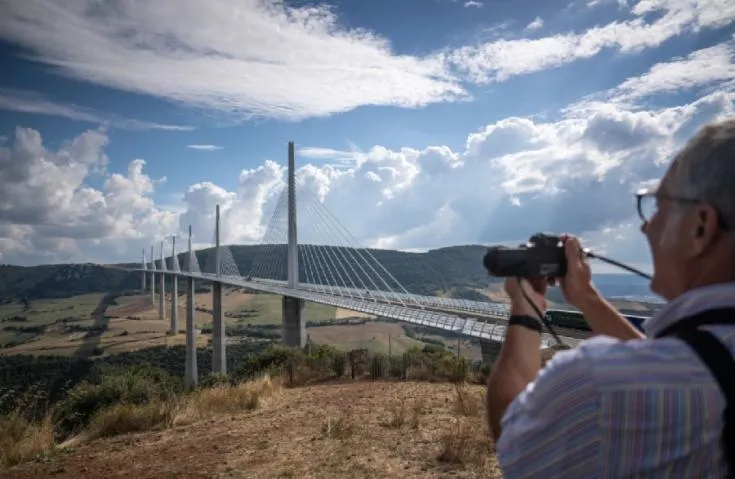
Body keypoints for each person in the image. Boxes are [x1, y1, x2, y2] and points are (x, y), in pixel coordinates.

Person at [486, 118, 735, 478]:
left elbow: (512, 433)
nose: (645, 226)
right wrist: (587, 298)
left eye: (657, 208)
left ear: (701, 227)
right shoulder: (700, 368)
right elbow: (692, 361)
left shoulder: (600, 386)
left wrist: (527, 310)